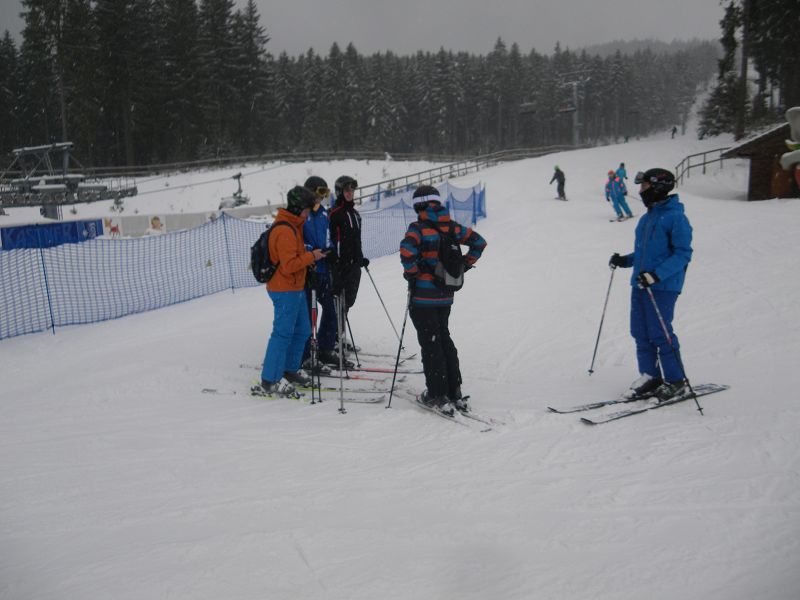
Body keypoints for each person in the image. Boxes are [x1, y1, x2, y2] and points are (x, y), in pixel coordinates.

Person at [400, 185, 487, 416]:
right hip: (445, 295)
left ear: (419, 205)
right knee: (444, 338)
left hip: (422, 297)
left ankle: (437, 394)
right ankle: (454, 391)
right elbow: (479, 242)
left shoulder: (418, 228)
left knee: (431, 343)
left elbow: (407, 251)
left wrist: (412, 272)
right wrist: (463, 266)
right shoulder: (452, 227)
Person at [608, 168, 693, 402]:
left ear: (658, 187)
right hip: (641, 284)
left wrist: (656, 275)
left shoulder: (676, 217)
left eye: (644, 186)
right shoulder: (648, 218)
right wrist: (625, 261)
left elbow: (683, 254)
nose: (640, 191)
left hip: (663, 287)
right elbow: (646, 253)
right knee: (640, 332)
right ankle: (650, 376)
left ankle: (676, 381)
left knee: (660, 333)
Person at [257, 186, 328, 397]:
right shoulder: (284, 230)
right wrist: (311, 257)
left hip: (295, 287)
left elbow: (294, 258)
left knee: (303, 331)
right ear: (298, 208)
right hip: (284, 289)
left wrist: (308, 259)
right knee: (282, 334)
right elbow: (288, 266)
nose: (309, 212)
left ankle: (289, 369)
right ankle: (270, 380)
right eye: (307, 208)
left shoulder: (294, 226)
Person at [299, 176, 339, 370]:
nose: (322, 198)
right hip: (308, 271)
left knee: (331, 310)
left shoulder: (324, 215)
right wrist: (311, 252)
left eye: (325, 193)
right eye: (320, 193)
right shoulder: (302, 214)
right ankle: (305, 355)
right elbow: (297, 241)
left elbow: (329, 238)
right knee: (309, 315)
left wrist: (331, 250)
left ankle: (326, 348)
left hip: (323, 271)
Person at [328, 175, 369, 352]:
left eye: (352, 190)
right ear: (339, 192)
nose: (350, 193)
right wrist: (334, 265)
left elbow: (356, 240)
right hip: (339, 266)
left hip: (353, 266)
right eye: (347, 190)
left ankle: (340, 336)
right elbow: (330, 241)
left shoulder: (355, 214)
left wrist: (360, 257)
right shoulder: (334, 214)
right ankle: (334, 339)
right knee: (338, 303)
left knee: (347, 303)